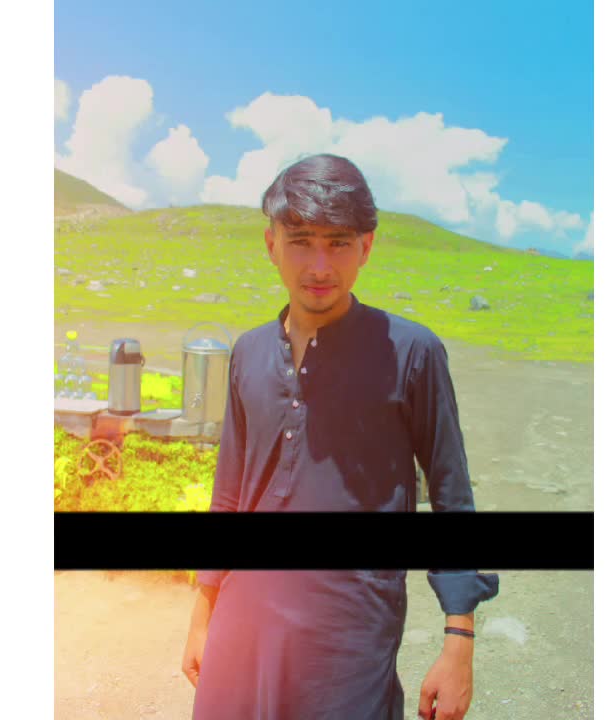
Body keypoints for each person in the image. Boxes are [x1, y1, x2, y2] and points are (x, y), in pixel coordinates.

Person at [182, 154, 498, 720]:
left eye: (339, 243)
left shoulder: (411, 353)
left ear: (366, 247)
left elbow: (453, 499)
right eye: (301, 241)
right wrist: (203, 614)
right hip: (243, 622)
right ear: (271, 244)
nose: (320, 265)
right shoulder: (248, 353)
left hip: (350, 639)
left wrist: (459, 642)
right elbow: (228, 494)